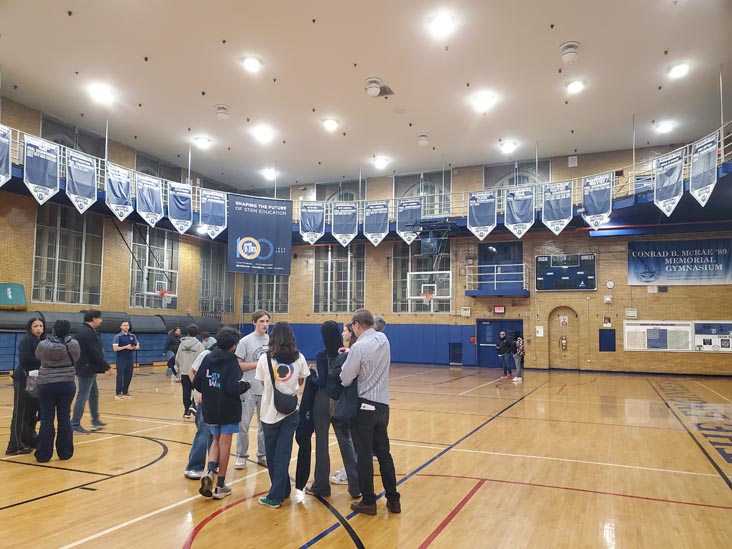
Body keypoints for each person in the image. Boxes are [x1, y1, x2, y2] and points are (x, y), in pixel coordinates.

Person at [341, 308, 401, 515]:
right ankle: (393, 500)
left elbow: (346, 378)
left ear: (357, 325)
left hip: (364, 406)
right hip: (383, 406)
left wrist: (348, 359)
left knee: (364, 456)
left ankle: (369, 501)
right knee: (384, 454)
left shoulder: (358, 347)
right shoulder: (383, 339)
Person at [255, 322, 310, 509]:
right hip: (292, 411)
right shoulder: (300, 357)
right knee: (284, 453)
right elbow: (302, 380)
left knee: (273, 456)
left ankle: (276, 495)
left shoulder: (265, 359)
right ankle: (283, 488)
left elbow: (262, 382)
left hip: (270, 412)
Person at [192, 327, 251, 500]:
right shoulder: (232, 361)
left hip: (211, 408)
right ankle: (220, 486)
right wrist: (245, 385)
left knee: (215, 441)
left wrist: (211, 390)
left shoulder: (208, 357)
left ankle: (210, 472)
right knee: (225, 444)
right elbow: (232, 388)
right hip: (228, 409)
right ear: (234, 345)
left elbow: (197, 383)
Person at [302, 320, 342, 497]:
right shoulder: (346, 354)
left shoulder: (321, 355)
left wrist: (312, 374)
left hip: (324, 401)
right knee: (347, 443)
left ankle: (321, 485)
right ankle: (356, 486)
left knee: (322, 444)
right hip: (342, 400)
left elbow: (322, 381)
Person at [34, 319, 80, 462]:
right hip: (67, 383)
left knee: (47, 419)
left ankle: (43, 455)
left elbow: (37, 357)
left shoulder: (43, 344)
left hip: (46, 383)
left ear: (53, 329)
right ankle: (65, 452)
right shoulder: (74, 344)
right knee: (64, 418)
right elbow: (77, 358)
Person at [327, 322, 361, 498]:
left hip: (345, 403)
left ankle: (352, 478)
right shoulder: (351, 352)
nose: (343, 334)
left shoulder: (347, 355)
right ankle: (353, 475)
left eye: (346, 331)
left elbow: (340, 378)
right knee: (352, 439)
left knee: (346, 440)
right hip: (356, 402)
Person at [234, 310, 270, 469]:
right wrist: (259, 364)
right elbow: (238, 363)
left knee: (265, 425)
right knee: (244, 425)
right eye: (261, 321)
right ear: (254, 322)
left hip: (266, 389)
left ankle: (262, 454)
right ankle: (241, 455)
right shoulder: (245, 341)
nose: (265, 324)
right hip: (247, 388)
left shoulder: (272, 341)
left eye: (267, 321)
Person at [6, 317, 45, 455]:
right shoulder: (27, 340)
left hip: (33, 379)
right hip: (23, 379)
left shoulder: (40, 341)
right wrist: (42, 358)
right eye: (36, 326)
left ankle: (27, 440)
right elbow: (24, 359)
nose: (39, 328)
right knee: (20, 412)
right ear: (30, 328)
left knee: (30, 411)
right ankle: (15, 445)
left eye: (41, 326)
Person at [71, 310, 111, 434]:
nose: (101, 321)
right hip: (86, 368)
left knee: (94, 394)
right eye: (100, 318)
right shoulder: (86, 333)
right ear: (94, 319)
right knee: (83, 396)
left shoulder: (86, 330)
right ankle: (75, 424)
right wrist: (106, 367)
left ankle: (95, 420)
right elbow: (94, 352)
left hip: (89, 368)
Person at [184, 347, 213, 480]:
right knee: (204, 432)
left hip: (216, 399)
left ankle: (213, 464)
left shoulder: (226, 356)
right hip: (203, 398)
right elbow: (191, 371)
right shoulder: (206, 354)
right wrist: (198, 390)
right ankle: (194, 466)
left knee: (215, 433)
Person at [176, 324, 204, 418]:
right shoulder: (199, 345)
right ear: (197, 333)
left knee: (186, 392)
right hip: (194, 372)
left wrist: (178, 370)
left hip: (184, 371)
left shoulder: (182, 343)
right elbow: (202, 358)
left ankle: (186, 410)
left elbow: (178, 357)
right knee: (198, 391)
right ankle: (193, 406)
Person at [112, 320, 139, 399]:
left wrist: (133, 347)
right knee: (120, 375)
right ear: (121, 327)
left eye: (127, 325)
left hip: (130, 358)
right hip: (121, 358)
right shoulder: (118, 337)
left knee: (129, 375)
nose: (126, 327)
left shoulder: (132, 336)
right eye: (124, 325)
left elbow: (137, 346)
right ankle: (118, 392)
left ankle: (125, 391)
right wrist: (125, 347)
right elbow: (115, 348)